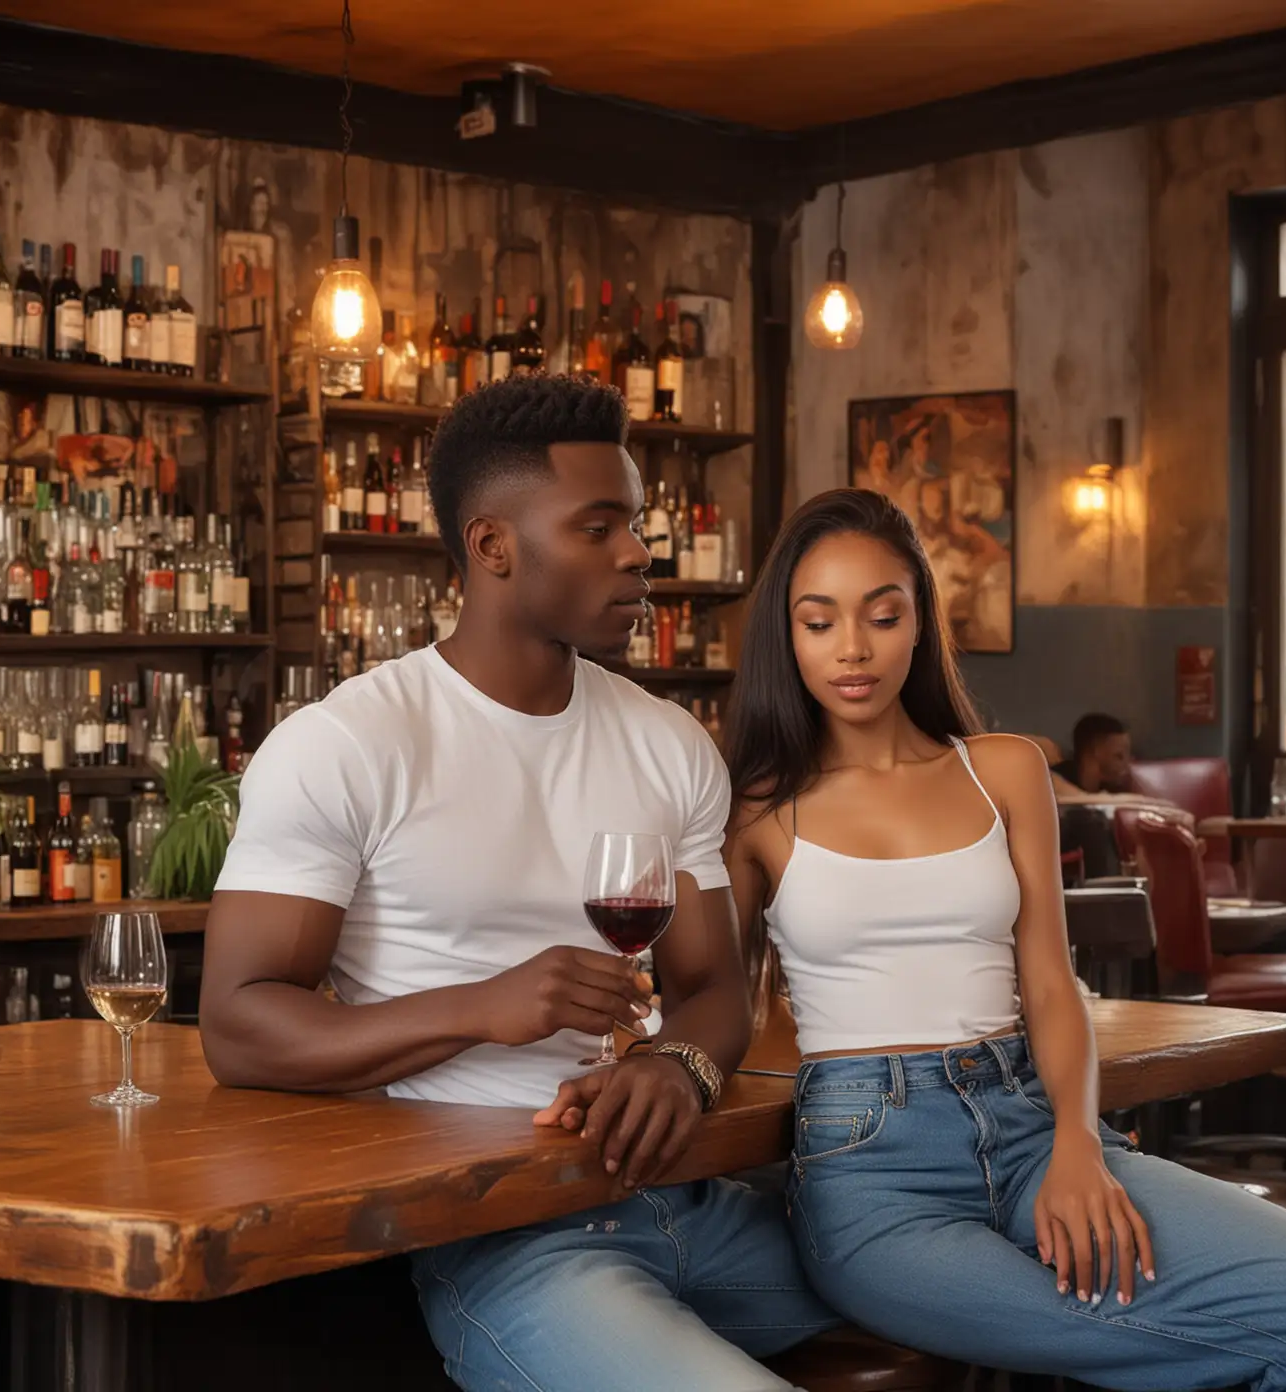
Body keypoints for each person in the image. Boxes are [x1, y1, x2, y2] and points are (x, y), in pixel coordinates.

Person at [720, 488, 1286, 1391]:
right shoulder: (757, 804)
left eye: (882, 614)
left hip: (1036, 1127)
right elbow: (710, 995)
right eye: (818, 620)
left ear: (920, 620)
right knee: (1272, 1354)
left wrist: (1077, 1141)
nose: (852, 648)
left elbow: (1050, 983)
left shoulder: (1001, 768)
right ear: (786, 637)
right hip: (874, 1183)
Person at [200, 376, 836, 1391]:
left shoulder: (668, 743)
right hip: (504, 1230)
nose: (638, 553)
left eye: (635, 524)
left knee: (1041, 1280)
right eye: (599, 527)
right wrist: (485, 1008)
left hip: (696, 1201)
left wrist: (676, 1068)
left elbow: (715, 990)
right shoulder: (347, 745)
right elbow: (238, 1027)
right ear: (493, 547)